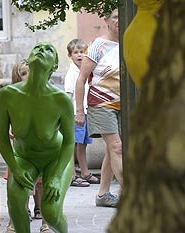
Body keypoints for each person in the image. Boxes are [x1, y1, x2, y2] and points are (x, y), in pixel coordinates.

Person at [0, 42, 75, 233]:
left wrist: (56, 177)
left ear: (54, 66)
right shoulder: (8, 94)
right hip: (24, 158)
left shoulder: (60, 99)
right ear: (29, 59)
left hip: (54, 159)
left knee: (50, 213)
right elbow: (1, 138)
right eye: (37, 48)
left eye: (48, 50)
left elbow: (69, 141)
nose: (41, 50)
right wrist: (14, 168)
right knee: (15, 201)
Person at [75, 8, 123, 208]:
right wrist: (79, 110)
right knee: (117, 147)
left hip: (124, 104)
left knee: (113, 150)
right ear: (106, 20)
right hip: (101, 103)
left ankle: (103, 195)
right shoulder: (98, 45)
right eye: (115, 17)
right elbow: (81, 79)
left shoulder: (129, 42)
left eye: (122, 16)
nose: (119, 20)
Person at [4, 59, 53, 233]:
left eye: (31, 72)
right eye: (24, 73)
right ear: (17, 78)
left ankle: (46, 222)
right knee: (18, 186)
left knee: (42, 185)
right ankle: (15, 220)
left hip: (42, 151)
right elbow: (8, 118)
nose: (28, 76)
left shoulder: (45, 95)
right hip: (21, 152)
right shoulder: (13, 97)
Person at [64, 39, 100, 187]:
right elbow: (68, 94)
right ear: (70, 55)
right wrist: (68, 114)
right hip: (75, 113)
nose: (79, 55)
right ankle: (72, 175)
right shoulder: (72, 73)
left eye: (82, 52)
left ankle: (84, 173)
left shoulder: (86, 70)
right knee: (73, 144)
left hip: (86, 112)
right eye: (76, 53)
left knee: (83, 144)